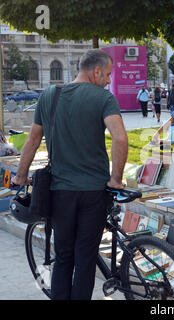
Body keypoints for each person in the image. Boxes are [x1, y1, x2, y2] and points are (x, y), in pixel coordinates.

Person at [11, 49, 128, 300]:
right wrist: (116, 179)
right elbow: (120, 138)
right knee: (85, 259)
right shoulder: (104, 98)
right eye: (107, 74)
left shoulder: (50, 96)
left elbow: (32, 141)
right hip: (95, 192)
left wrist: (20, 176)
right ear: (96, 71)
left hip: (60, 192)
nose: (108, 80)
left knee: (64, 257)